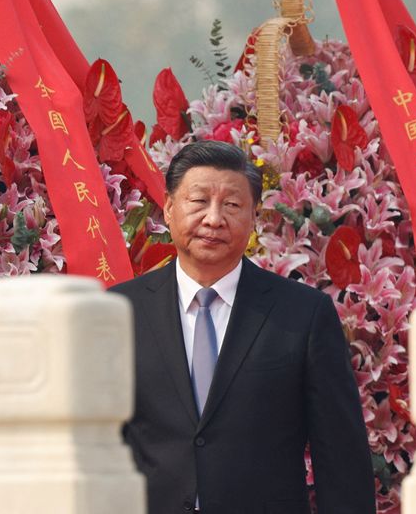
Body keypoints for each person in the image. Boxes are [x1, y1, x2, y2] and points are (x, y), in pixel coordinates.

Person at [111, 140, 376, 514]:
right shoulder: (117, 311)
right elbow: (91, 444)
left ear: (254, 218)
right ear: (169, 209)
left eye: (232, 205)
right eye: (199, 201)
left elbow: (341, 457)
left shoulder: (303, 314)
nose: (214, 219)